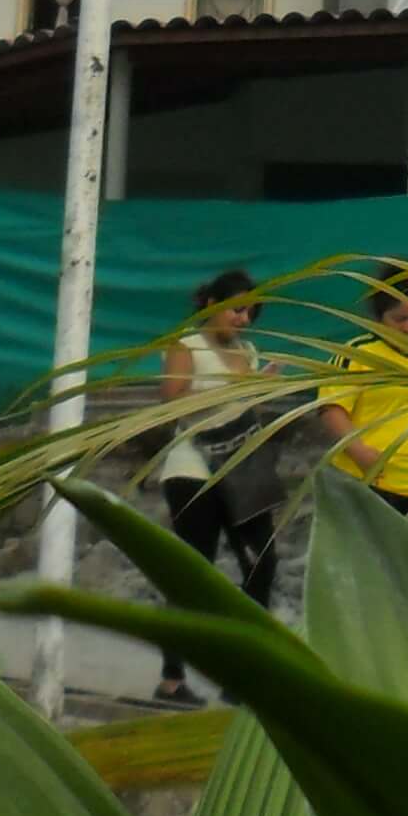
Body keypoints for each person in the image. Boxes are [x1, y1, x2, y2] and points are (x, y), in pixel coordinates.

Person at [149, 269, 280, 706]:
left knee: (263, 561)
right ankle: (171, 678)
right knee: (192, 571)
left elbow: (247, 409)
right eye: (237, 309)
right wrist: (241, 385)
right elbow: (172, 398)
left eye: (250, 313)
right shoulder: (187, 346)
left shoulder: (250, 353)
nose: (243, 320)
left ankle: (240, 674)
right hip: (194, 471)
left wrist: (262, 389)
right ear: (211, 305)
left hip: (242, 471)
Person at [314, 270, 408, 541]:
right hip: (369, 482)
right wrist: (358, 451)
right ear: (379, 317)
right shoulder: (356, 353)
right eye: (399, 319)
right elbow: (332, 409)